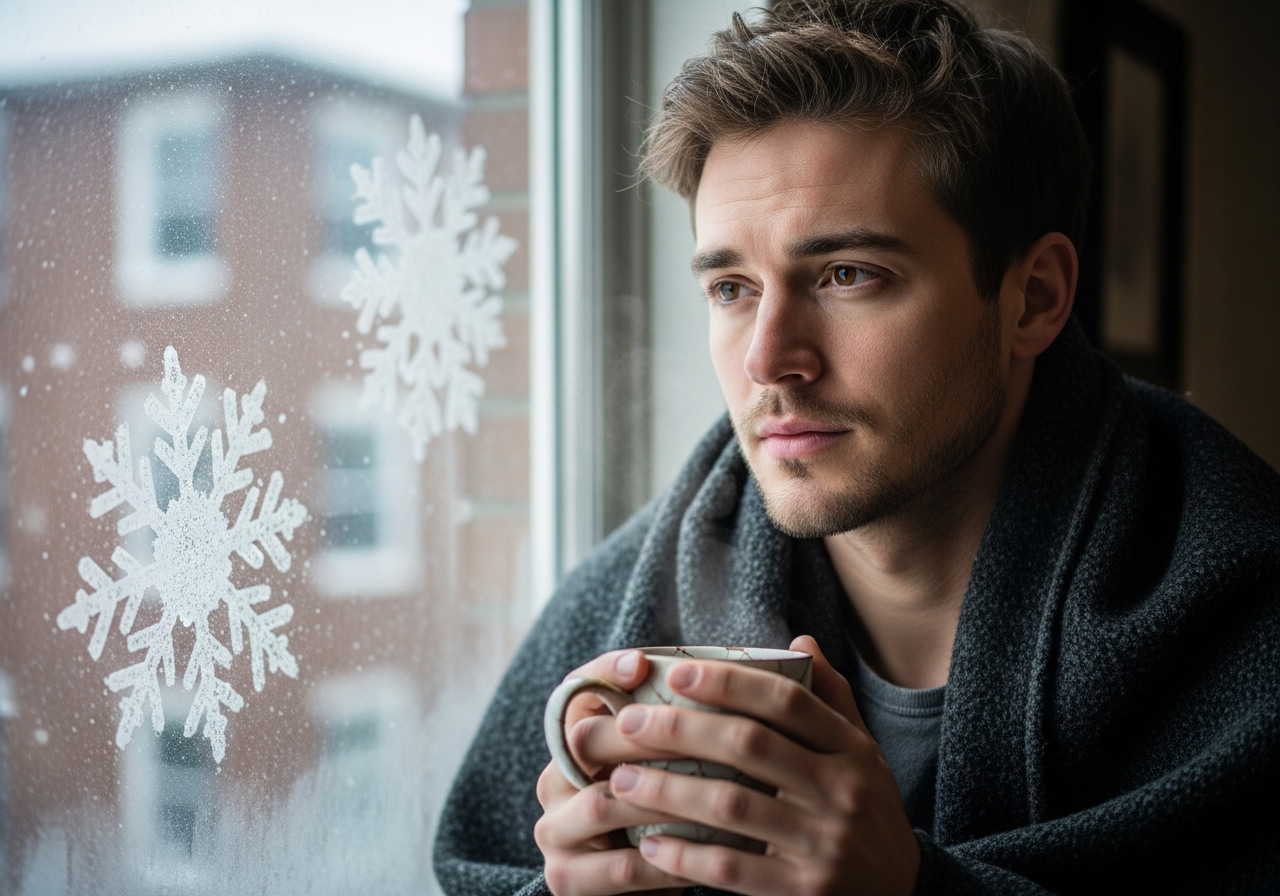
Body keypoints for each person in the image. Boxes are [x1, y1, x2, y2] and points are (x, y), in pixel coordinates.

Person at [434, 1, 1280, 893]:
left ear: (1033, 298)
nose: (768, 360)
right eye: (731, 288)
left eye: (847, 275)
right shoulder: (617, 610)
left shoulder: (1244, 603)